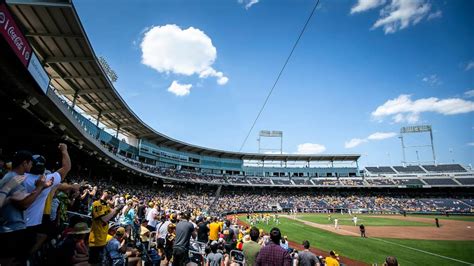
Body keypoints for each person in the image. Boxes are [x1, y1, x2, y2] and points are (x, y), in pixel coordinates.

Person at [0, 151, 52, 264]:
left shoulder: (15, 177)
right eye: (30, 163)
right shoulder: (13, 178)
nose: (32, 166)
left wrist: (41, 188)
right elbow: (24, 204)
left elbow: (23, 198)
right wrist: (39, 187)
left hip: (11, 228)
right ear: (24, 163)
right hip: (10, 229)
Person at [89, 189, 123, 265]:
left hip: (103, 239)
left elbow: (111, 216)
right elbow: (104, 219)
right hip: (95, 239)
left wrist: (117, 209)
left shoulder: (106, 205)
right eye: (109, 192)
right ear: (104, 192)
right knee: (93, 263)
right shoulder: (96, 204)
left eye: (112, 194)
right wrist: (116, 209)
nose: (110, 195)